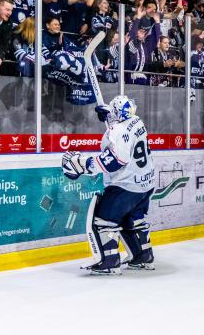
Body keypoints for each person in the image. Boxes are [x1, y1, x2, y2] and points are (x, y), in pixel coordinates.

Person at [61, 96, 156, 275]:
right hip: (145, 184)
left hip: (125, 186)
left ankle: (109, 261)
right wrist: (110, 115)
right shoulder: (137, 121)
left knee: (103, 221)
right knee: (132, 219)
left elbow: (114, 161)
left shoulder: (118, 130)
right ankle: (143, 256)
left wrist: (83, 164)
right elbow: (124, 128)